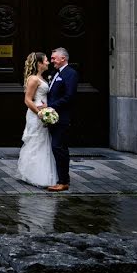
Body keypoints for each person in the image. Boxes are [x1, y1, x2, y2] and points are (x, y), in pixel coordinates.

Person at [16, 52, 57, 188]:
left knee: (42, 142)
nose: (48, 62)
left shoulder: (41, 77)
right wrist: (41, 113)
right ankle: (33, 174)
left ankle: (40, 173)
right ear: (39, 63)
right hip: (36, 114)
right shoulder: (33, 79)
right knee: (35, 142)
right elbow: (27, 100)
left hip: (42, 112)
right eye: (46, 60)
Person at [47, 47, 78, 192]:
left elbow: (69, 96)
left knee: (58, 147)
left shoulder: (70, 73)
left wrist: (50, 106)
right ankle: (63, 178)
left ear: (63, 58)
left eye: (54, 58)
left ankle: (63, 181)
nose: (52, 60)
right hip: (54, 117)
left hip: (62, 117)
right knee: (60, 148)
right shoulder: (55, 73)